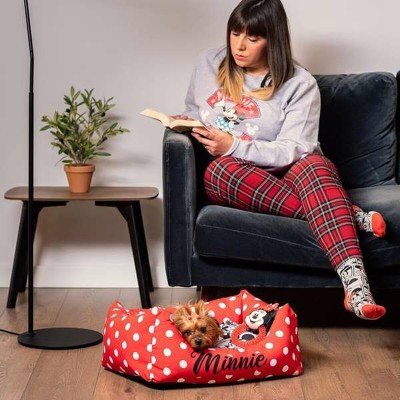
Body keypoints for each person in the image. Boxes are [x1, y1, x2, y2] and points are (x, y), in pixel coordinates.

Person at [177, 0, 386, 320]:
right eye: (235, 33)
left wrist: (233, 145)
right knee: (219, 171)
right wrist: (184, 122)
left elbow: (296, 149)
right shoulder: (210, 63)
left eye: (253, 38)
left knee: (315, 164)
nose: (239, 45)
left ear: (273, 40)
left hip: (290, 170)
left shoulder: (299, 84)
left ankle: (357, 288)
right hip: (234, 176)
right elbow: (195, 111)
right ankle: (348, 215)